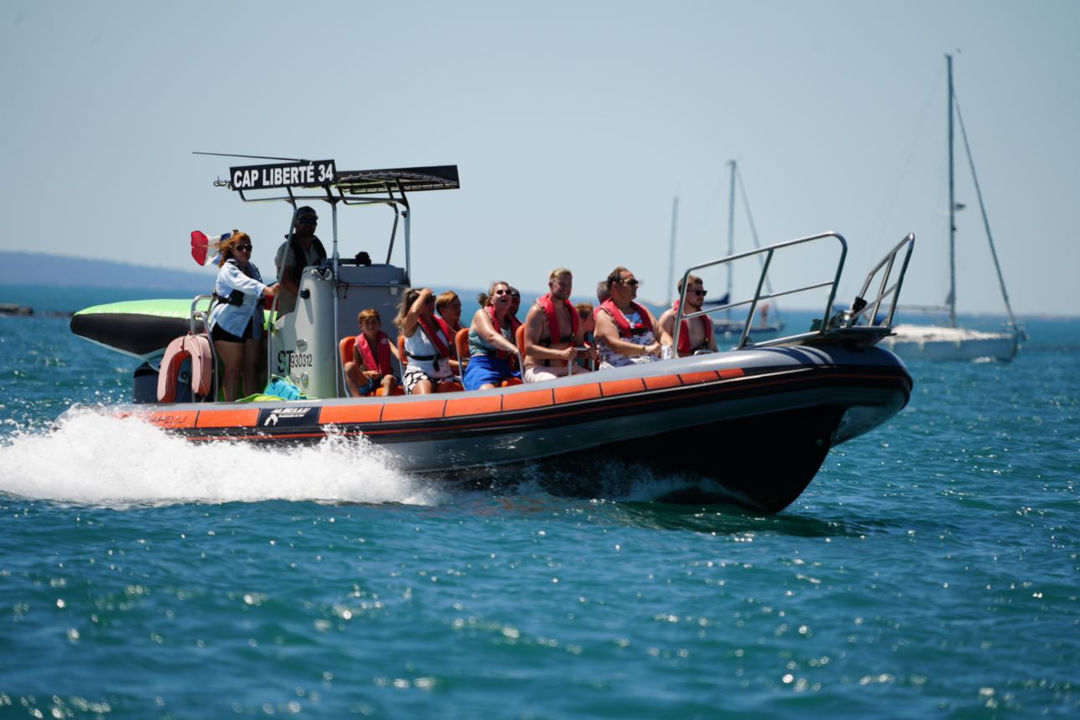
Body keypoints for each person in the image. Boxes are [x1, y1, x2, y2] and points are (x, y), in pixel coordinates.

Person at [207, 231, 279, 401]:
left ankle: (252, 407)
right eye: (241, 248)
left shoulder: (253, 268)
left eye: (249, 247)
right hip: (228, 324)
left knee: (251, 368)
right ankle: (231, 409)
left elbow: (257, 287)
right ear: (231, 249)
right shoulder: (228, 269)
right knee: (233, 368)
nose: (245, 251)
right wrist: (266, 290)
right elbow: (244, 283)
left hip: (251, 323)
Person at [522, 268, 595, 382]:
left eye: (569, 285)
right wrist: (561, 354)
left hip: (569, 368)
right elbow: (529, 349)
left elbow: (579, 346)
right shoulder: (537, 312)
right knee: (554, 384)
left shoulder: (572, 314)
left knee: (593, 381)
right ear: (551, 285)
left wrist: (588, 352)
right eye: (562, 284)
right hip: (540, 369)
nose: (566, 288)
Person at [594, 266, 662, 368]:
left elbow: (660, 332)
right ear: (615, 286)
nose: (636, 286)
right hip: (621, 372)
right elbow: (615, 344)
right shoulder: (604, 315)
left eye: (636, 283)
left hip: (649, 366)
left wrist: (669, 347)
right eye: (631, 283)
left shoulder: (644, 311)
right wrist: (646, 350)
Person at [396, 287, 459, 395]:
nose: (432, 304)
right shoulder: (410, 326)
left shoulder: (441, 324)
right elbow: (414, 312)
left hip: (445, 375)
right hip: (419, 373)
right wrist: (423, 295)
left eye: (432, 299)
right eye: (427, 301)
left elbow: (460, 340)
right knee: (425, 390)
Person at [463, 281, 522, 390]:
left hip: (505, 367)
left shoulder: (512, 322)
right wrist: (514, 349)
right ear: (491, 300)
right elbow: (491, 336)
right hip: (482, 366)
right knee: (487, 389)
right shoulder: (481, 314)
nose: (504, 294)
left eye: (508, 292)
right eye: (499, 292)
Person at [273, 206, 327, 315]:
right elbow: (286, 280)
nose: (309, 224)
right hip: (291, 308)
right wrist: (307, 297)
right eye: (304, 220)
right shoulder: (287, 248)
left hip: (313, 306)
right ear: (294, 224)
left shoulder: (318, 247)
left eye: (313, 221)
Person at [344, 308, 402, 396]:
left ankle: (384, 405)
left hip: (384, 378)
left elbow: (399, 356)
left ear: (379, 324)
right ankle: (358, 401)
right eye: (367, 323)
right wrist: (368, 373)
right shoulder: (357, 345)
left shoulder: (386, 340)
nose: (371, 326)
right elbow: (356, 370)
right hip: (368, 381)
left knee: (389, 378)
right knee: (348, 366)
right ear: (361, 326)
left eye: (374, 322)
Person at [658, 274, 718, 357]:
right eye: (698, 293)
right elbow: (658, 349)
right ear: (684, 293)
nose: (701, 296)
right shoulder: (669, 318)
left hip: (702, 366)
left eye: (703, 293)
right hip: (678, 366)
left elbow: (713, 350)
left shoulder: (708, 320)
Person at [435, 290, 465, 374]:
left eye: (459, 306)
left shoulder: (460, 330)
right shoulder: (437, 333)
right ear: (442, 310)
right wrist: (465, 365)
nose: (459, 310)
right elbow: (440, 361)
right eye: (455, 307)